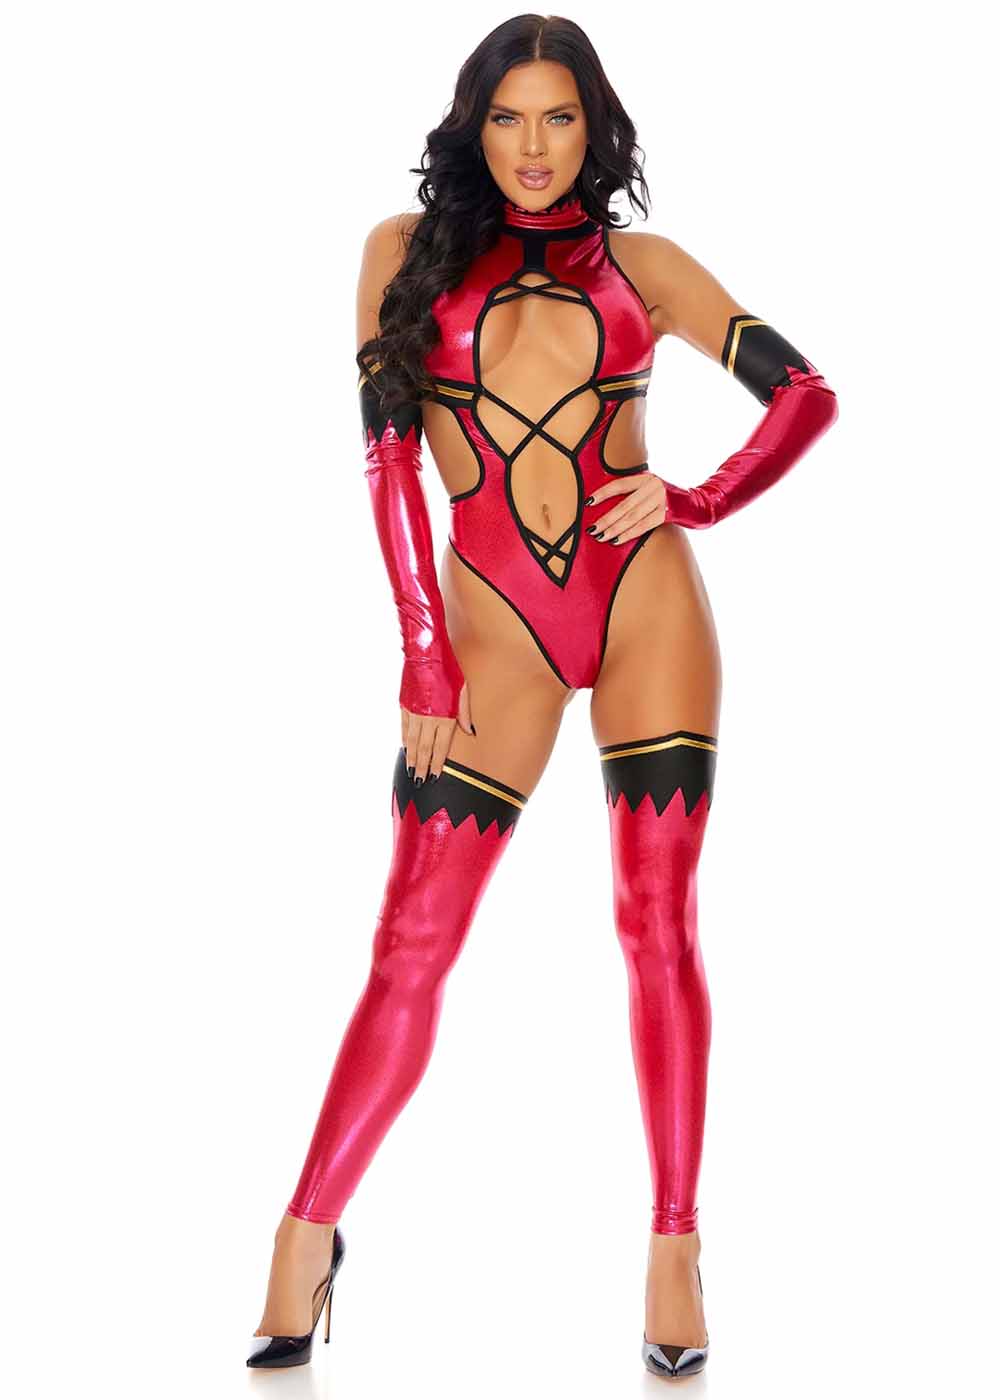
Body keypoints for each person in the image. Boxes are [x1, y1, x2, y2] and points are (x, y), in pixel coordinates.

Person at [247, 14, 838, 1377]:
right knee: (412, 942)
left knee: (656, 925)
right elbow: (389, 460)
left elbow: (805, 395)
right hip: (487, 627)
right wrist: (421, 648)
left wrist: (697, 498)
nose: (532, 145)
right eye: (507, 117)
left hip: (647, 607)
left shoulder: (645, 267)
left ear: (594, 128)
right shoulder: (401, 253)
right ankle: (304, 1234)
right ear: (473, 125)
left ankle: (676, 1247)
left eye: (558, 118)